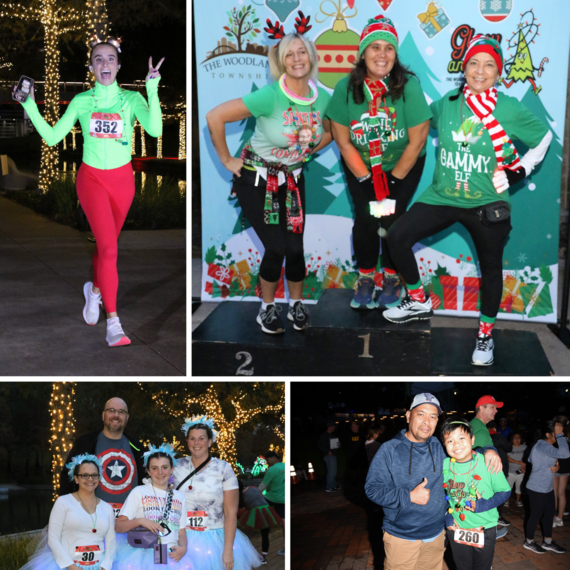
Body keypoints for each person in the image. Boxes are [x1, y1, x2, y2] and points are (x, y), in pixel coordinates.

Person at [383, 35, 552, 367]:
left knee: (490, 269)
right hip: (443, 196)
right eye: (474, 62)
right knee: (397, 236)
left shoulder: (509, 108)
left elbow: (544, 137)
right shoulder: (447, 101)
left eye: (489, 64)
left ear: (498, 72)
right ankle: (418, 299)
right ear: (464, 68)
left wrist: (518, 172)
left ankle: (485, 335)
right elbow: (418, 122)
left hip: (486, 203)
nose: (480, 70)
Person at [15, 38, 164, 347]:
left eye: (111, 58)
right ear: (91, 67)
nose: (105, 64)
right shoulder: (82, 101)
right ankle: (114, 324)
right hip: (91, 180)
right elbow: (54, 137)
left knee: (105, 249)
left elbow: (155, 130)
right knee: (110, 250)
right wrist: (29, 104)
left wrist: (152, 89)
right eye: (98, 59)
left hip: (122, 182)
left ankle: (94, 291)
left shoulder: (132, 99)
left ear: (118, 65)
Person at [206, 12, 331, 334]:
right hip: (258, 181)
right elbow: (215, 116)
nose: (296, 58)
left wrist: (308, 149)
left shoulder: (323, 99)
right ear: (281, 62)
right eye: (289, 54)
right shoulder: (270, 96)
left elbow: (331, 131)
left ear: (311, 56)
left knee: (296, 248)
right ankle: (267, 308)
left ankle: (297, 305)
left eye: (301, 51)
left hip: (293, 180)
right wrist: (227, 160)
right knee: (276, 247)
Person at [326, 14, 431, 309]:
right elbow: (343, 141)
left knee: (392, 219)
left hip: (403, 164)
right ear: (363, 52)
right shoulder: (346, 87)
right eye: (375, 47)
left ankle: (392, 276)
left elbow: (418, 140)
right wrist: (367, 181)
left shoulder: (408, 85)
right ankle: (366, 277)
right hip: (360, 164)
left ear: (396, 54)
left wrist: (392, 183)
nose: (381, 54)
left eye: (388, 48)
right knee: (366, 218)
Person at [365, 393, 502, 570]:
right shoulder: (389, 449)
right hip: (402, 537)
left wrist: (488, 449)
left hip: (436, 535)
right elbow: (372, 489)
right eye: (420, 414)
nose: (426, 421)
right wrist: (409, 496)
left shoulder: (438, 445)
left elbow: (464, 452)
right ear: (408, 416)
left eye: (432, 416)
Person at [172, 415, 263, 570]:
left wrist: (227, 551)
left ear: (210, 441)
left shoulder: (223, 468)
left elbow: (230, 514)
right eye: (192, 438)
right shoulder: (176, 466)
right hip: (181, 538)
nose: (196, 443)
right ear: (187, 441)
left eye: (201, 438)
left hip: (214, 539)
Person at [19, 454, 116, 570]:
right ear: (76, 478)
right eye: (84, 475)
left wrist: (105, 566)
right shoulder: (63, 502)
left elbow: (111, 541)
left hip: (99, 566)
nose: (90, 479)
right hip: (68, 566)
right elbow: (53, 539)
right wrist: (71, 567)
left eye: (94, 475)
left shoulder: (107, 508)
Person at [441, 417, 510, 570]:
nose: (456, 444)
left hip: (484, 528)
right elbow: (443, 494)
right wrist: (448, 515)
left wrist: (483, 504)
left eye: (461, 438)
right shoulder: (444, 465)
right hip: (457, 528)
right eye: (449, 440)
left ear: (472, 440)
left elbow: (505, 491)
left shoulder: (487, 462)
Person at [59, 397, 145, 518]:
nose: (116, 415)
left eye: (121, 412)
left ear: (127, 418)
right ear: (103, 415)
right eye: (111, 410)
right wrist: (68, 512)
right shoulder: (86, 443)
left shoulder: (138, 448)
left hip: (129, 523)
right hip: (91, 520)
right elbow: (67, 478)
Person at [114, 443, 187, 568]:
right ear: (148, 471)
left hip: (170, 557)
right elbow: (118, 526)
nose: (160, 472)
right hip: (143, 557)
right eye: (154, 468)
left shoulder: (179, 497)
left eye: (164, 467)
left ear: (172, 469)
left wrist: (183, 548)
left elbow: (181, 531)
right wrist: (140, 521)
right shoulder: (138, 492)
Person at [523, 420, 570, 554]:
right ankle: (529, 541)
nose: (560, 436)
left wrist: (557, 465)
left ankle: (547, 542)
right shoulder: (542, 445)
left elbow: (532, 460)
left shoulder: (543, 446)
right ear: (548, 435)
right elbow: (566, 454)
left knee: (550, 515)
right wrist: (560, 436)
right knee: (535, 515)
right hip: (536, 487)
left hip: (547, 487)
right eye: (557, 434)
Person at [238, 481, 283, 564]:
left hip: (255, 513)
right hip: (267, 511)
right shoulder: (252, 487)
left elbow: (243, 508)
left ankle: (249, 555)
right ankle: (263, 557)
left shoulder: (240, 497)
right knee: (265, 535)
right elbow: (263, 498)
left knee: (246, 535)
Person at [258, 451, 285, 556]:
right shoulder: (285, 466)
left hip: (271, 498)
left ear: (274, 458)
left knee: (264, 520)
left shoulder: (272, 469)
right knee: (284, 523)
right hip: (284, 500)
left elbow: (262, 487)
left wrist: (253, 494)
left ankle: (264, 546)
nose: (267, 462)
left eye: (268, 460)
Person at [487, 420, 513, 527]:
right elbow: (509, 448)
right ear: (494, 428)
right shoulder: (498, 437)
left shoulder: (480, 436)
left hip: (486, 469)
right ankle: (499, 517)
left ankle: (490, 516)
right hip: (499, 468)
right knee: (500, 491)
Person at [551, 415, 570, 527]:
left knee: (554, 493)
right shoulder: (568, 435)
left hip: (557, 465)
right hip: (567, 466)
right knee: (562, 493)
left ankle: (552, 519)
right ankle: (560, 518)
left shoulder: (558, 436)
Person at [317, 421, 341, 493]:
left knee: (333, 471)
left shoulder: (333, 435)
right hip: (328, 455)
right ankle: (329, 487)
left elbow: (335, 445)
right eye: (334, 426)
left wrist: (338, 445)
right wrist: (327, 451)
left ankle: (333, 485)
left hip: (334, 454)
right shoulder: (324, 435)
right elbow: (319, 445)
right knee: (331, 471)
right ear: (330, 427)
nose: (335, 428)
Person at [506, 432, 527, 508]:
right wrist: (518, 462)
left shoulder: (525, 447)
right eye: (515, 438)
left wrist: (524, 466)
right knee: (508, 487)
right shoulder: (509, 447)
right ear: (512, 439)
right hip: (510, 471)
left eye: (518, 438)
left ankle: (518, 500)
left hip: (521, 471)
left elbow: (529, 458)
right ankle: (507, 501)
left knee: (519, 487)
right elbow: (507, 458)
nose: (517, 439)